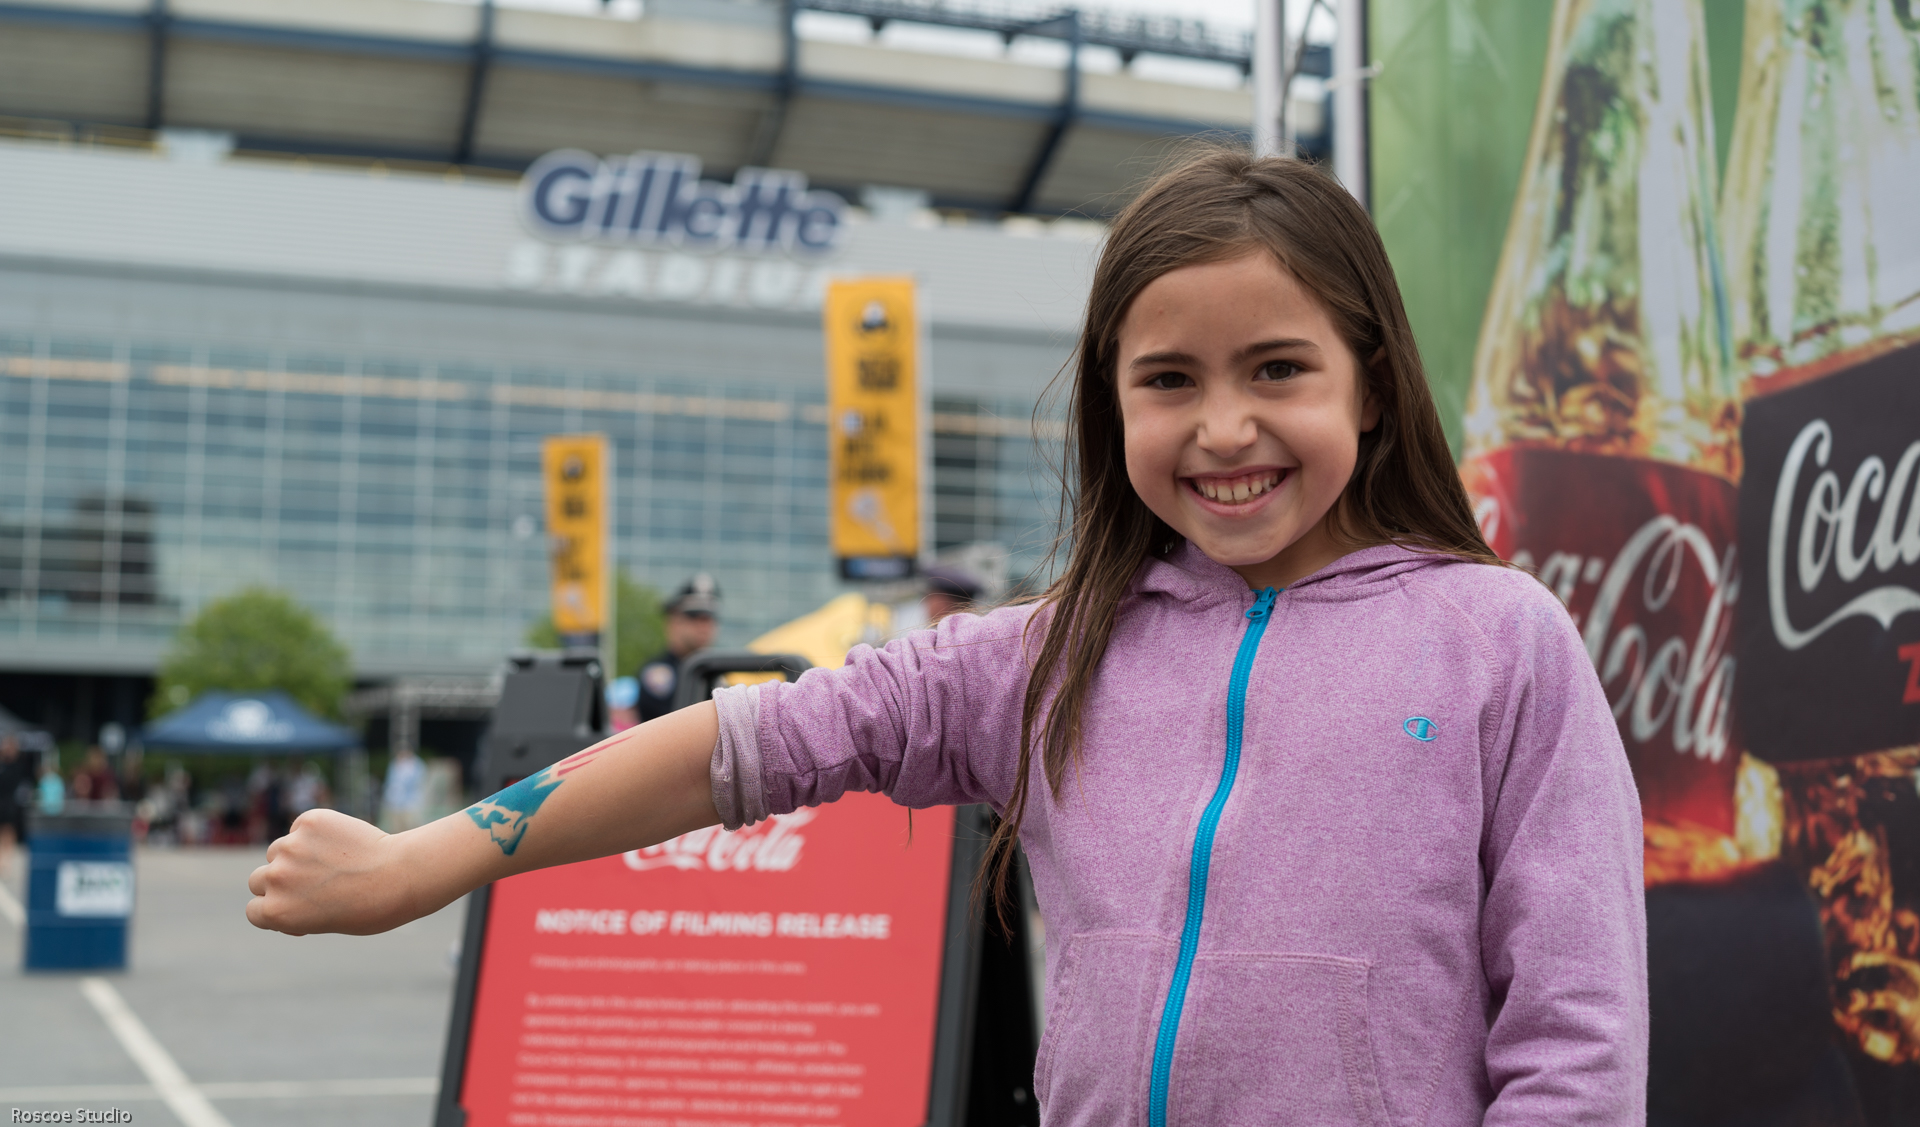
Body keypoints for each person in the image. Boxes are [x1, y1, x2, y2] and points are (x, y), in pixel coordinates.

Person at [247, 149, 1647, 1122]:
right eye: (1169, 380)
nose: (1224, 426)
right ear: (1115, 410)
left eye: (1277, 367)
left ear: (1376, 390)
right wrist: (425, 859)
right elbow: (742, 744)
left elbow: (1575, 1032)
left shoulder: (1501, 641)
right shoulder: (1048, 657)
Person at [635, 574, 720, 723]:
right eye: (694, 617)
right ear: (673, 622)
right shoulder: (658, 673)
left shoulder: (719, 672)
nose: (704, 626)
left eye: (708, 617)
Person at [0, 734, 31, 877]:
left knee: (9, 830)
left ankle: (6, 859)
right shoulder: (3, 766)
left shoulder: (20, 767)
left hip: (10, 804)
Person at [379, 746, 427, 833]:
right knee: (396, 830)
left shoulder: (417, 765)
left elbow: (417, 784)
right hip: (395, 804)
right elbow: (390, 782)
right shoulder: (394, 764)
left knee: (412, 829)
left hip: (410, 804)